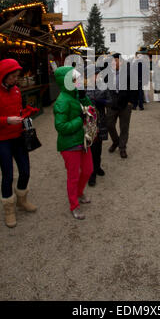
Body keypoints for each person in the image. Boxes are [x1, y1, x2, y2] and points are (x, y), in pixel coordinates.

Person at [0, 59, 37, 228]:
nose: (16, 79)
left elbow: (18, 111)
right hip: (1, 140)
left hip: (18, 136)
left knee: (25, 171)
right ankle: (9, 210)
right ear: (3, 75)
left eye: (17, 76)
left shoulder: (17, 91)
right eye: (13, 76)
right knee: (7, 175)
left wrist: (25, 114)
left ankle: (21, 199)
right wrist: (7, 120)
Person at [53, 66, 93, 220]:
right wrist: (80, 120)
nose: (78, 81)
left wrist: (83, 97)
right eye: (75, 79)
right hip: (70, 144)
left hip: (82, 140)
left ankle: (79, 192)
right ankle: (74, 205)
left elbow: (89, 108)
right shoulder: (62, 101)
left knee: (88, 170)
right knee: (73, 176)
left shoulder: (75, 94)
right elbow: (61, 127)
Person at [82, 64, 110, 186]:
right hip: (88, 122)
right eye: (95, 74)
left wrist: (102, 102)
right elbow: (77, 103)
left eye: (98, 74)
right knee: (90, 147)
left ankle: (97, 166)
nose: (98, 76)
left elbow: (111, 101)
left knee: (98, 146)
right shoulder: (82, 88)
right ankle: (91, 172)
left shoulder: (103, 86)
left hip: (100, 120)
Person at [106, 53, 136, 159]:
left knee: (124, 127)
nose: (113, 63)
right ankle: (116, 141)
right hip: (111, 104)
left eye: (115, 61)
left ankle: (122, 147)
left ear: (121, 61)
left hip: (125, 104)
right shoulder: (108, 72)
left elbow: (134, 87)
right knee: (109, 124)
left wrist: (130, 102)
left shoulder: (129, 72)